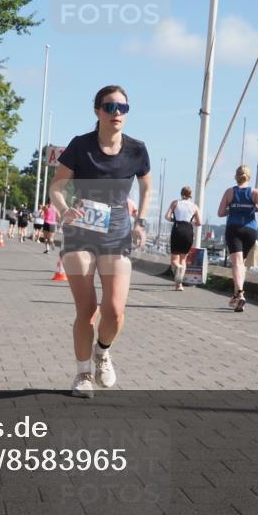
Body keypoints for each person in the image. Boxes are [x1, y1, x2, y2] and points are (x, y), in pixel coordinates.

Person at [49, 85, 151, 398]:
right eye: (110, 107)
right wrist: (66, 210)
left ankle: (102, 352)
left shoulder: (136, 149)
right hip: (81, 228)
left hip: (117, 230)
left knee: (115, 311)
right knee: (87, 308)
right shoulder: (80, 146)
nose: (117, 113)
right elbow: (56, 187)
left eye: (123, 107)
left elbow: (147, 187)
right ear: (97, 111)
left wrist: (141, 222)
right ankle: (82, 375)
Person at [216, 165, 258, 312]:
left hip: (234, 229)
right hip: (250, 230)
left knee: (236, 264)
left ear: (236, 176)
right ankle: (236, 296)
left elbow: (220, 213)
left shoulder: (229, 192)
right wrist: (253, 208)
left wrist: (232, 208)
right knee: (241, 264)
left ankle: (240, 294)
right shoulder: (255, 192)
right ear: (248, 177)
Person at [165, 186, 201, 291]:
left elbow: (167, 217)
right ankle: (179, 285)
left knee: (174, 260)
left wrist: (174, 220)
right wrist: (190, 222)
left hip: (177, 229)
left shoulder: (175, 203)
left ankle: (178, 270)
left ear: (181, 193)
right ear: (191, 195)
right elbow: (199, 223)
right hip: (188, 231)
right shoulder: (194, 206)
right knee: (183, 259)